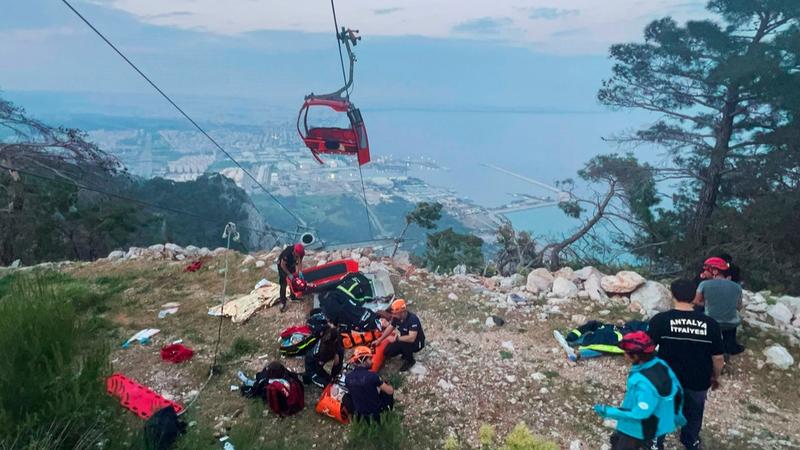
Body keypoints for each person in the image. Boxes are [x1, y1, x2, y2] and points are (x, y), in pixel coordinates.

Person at [648, 279, 725, 450]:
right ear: (694, 298)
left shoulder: (660, 320)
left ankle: (655, 443)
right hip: (698, 379)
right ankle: (690, 441)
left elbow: (647, 350)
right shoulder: (710, 324)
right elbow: (718, 358)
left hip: (667, 379)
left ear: (672, 295)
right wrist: (715, 376)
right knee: (694, 412)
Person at [593, 331, 685, 450]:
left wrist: (608, 411)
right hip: (658, 421)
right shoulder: (660, 363)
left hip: (638, 429)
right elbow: (678, 391)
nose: (624, 355)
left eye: (626, 353)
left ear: (636, 356)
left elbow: (639, 414)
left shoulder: (643, 382)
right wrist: (677, 416)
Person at [694, 257, 745, 358]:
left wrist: (708, 304)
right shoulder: (737, 287)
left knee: (697, 310)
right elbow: (738, 307)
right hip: (731, 324)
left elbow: (696, 301)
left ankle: (705, 344)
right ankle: (730, 346)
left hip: (712, 324)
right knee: (731, 317)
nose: (704, 272)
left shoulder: (704, 284)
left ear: (715, 271)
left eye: (706, 269)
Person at [372, 299, 425, 371]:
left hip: (416, 343)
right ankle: (404, 352)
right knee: (388, 352)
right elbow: (390, 328)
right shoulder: (397, 318)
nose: (393, 315)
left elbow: (412, 338)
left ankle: (410, 361)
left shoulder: (413, 320)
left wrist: (396, 339)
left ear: (402, 312)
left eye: (395, 313)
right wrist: (380, 339)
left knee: (404, 343)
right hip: (403, 339)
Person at [344, 346, 394, 423]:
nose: (372, 361)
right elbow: (390, 391)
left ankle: (353, 421)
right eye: (369, 359)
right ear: (362, 360)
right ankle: (388, 412)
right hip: (376, 414)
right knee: (386, 389)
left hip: (361, 415)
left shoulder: (347, 378)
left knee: (346, 397)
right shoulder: (372, 376)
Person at [276, 243, 305, 312]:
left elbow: (300, 262)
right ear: (294, 252)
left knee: (294, 280)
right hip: (282, 266)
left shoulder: (301, 253)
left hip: (291, 264)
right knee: (283, 283)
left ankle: (293, 296)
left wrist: (300, 271)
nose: (298, 256)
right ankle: (282, 302)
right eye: (297, 255)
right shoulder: (287, 253)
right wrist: (288, 274)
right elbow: (283, 265)